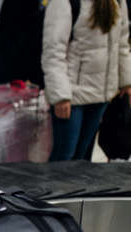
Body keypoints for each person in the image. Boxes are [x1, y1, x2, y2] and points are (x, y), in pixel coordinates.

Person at [43, 0, 131, 161]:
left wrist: (126, 82)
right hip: (72, 97)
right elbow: (53, 52)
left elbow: (122, 44)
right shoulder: (65, 3)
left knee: (83, 160)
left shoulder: (117, 2)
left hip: (101, 95)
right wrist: (60, 96)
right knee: (64, 158)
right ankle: (56, 187)